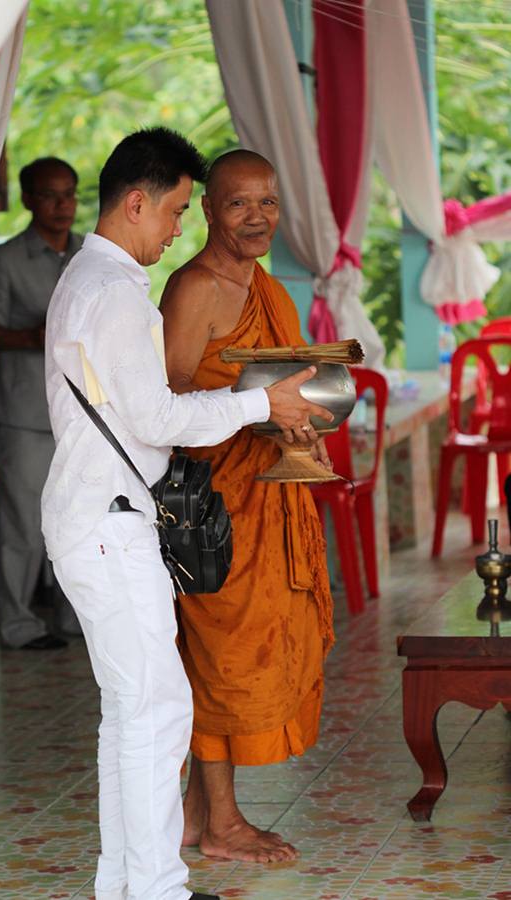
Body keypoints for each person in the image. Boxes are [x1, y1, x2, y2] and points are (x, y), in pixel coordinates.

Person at [41, 128, 332, 900]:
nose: (177, 230)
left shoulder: (91, 277)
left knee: (134, 716)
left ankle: (130, 885)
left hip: (102, 514)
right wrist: (259, 405)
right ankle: (157, 888)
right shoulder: (113, 291)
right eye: (175, 211)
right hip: (108, 520)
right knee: (156, 714)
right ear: (136, 203)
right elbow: (156, 416)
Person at [159, 149, 335, 864]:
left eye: (268, 202)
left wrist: (300, 428)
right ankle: (223, 824)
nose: (257, 217)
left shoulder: (270, 288)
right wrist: (253, 412)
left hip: (270, 493)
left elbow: (291, 388)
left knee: (244, 656)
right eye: (239, 203)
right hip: (214, 509)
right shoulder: (194, 288)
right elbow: (164, 406)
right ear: (207, 209)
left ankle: (199, 815)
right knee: (219, 663)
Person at [0, 157, 83, 650]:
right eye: (50, 195)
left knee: (79, 516)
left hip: (80, 412)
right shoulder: (3, 260)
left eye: (69, 194)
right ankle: (18, 625)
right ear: (29, 199)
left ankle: (75, 618)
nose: (62, 205)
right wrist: (32, 336)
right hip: (21, 415)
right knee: (22, 525)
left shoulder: (88, 255)